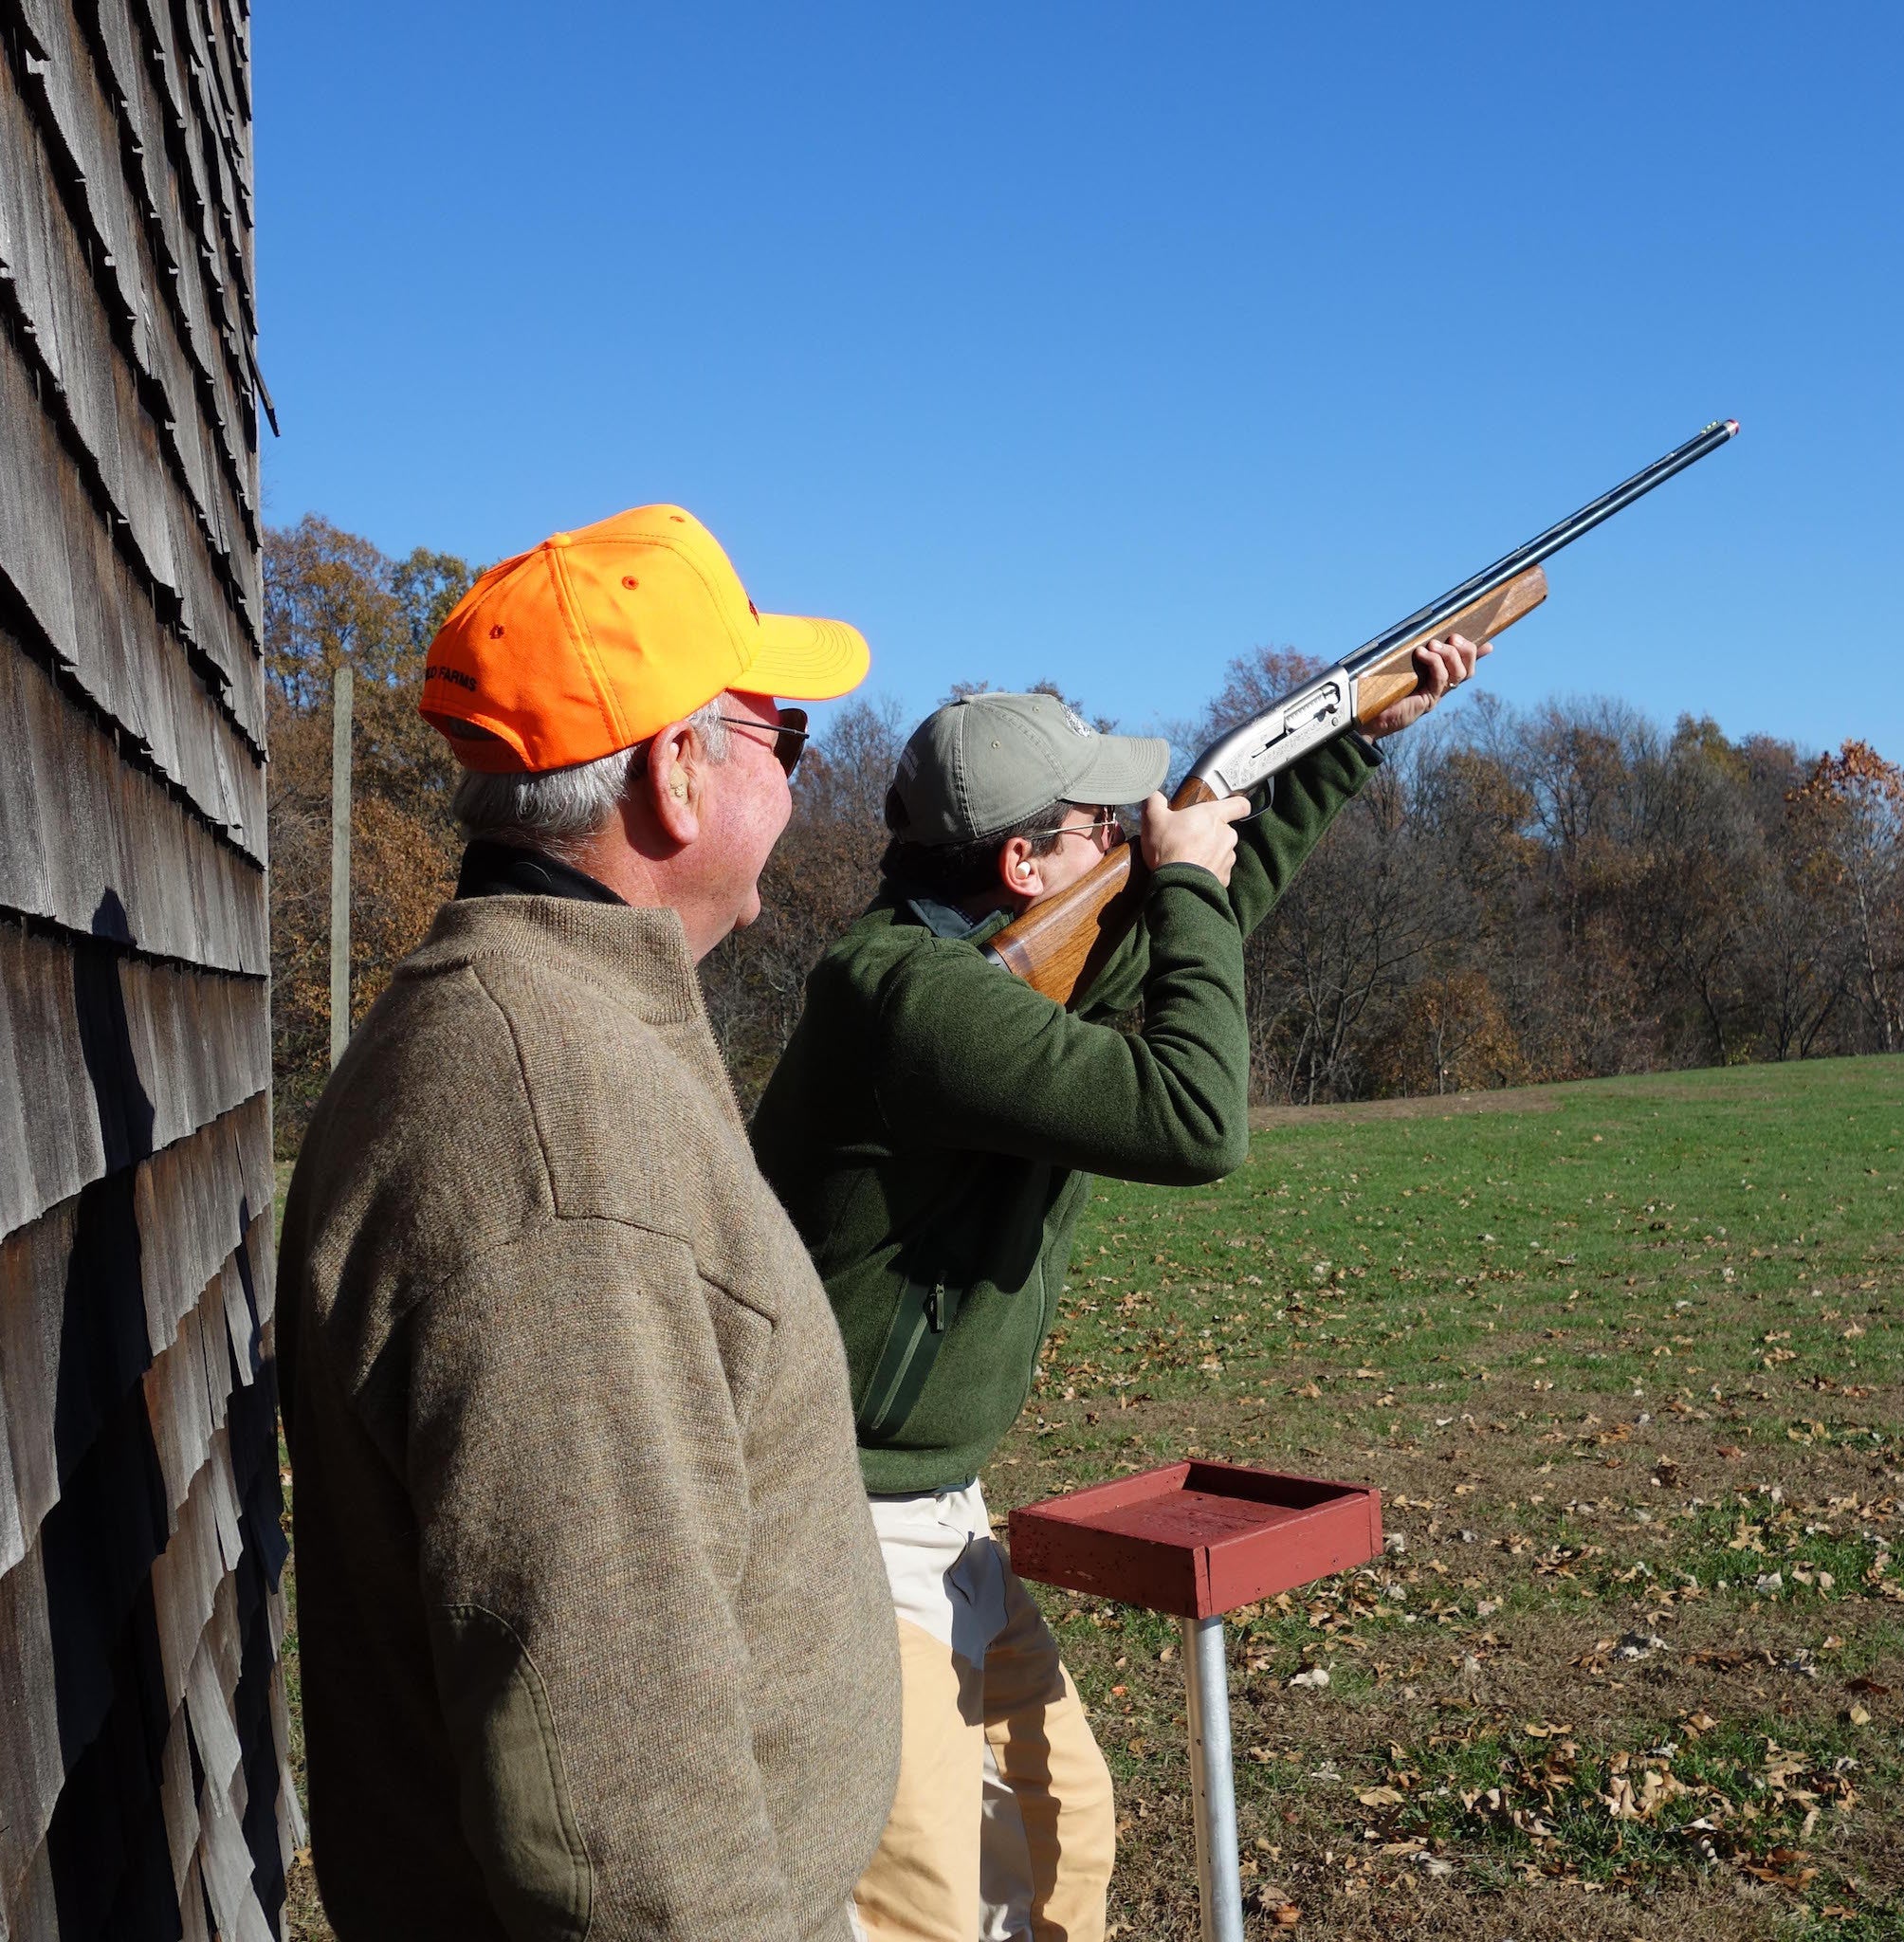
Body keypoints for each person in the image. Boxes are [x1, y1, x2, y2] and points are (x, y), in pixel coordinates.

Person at [749, 637, 1484, 1942]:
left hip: (935, 1506)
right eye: (1106, 824)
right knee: (930, 1893)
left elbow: (1204, 905)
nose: (1135, 834)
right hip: (826, 1521)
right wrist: (1187, 888)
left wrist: (1361, 736)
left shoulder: (983, 959)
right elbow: (1198, 1120)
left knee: (1064, 1828)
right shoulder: (909, 1000)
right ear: (1023, 866)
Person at [277, 504, 901, 1942]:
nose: (801, 788)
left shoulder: (537, 1036)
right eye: (781, 740)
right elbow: (620, 1840)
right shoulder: (554, 1148)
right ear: (680, 773)